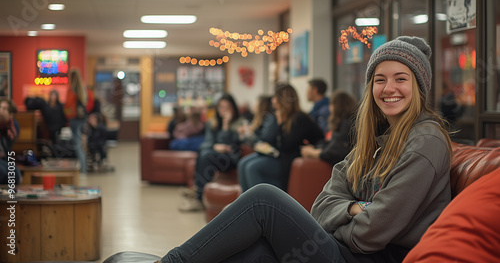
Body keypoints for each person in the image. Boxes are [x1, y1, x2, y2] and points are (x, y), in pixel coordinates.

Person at [148, 36, 453, 262]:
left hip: (369, 258)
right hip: (343, 250)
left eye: (401, 79)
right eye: (380, 79)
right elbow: (321, 206)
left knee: (262, 199)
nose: (388, 89)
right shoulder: (375, 138)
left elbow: (369, 234)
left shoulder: (426, 140)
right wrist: (351, 209)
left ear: (420, 88)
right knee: (258, 252)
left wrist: (342, 222)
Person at [238, 86, 323, 192]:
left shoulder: (299, 118)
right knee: (243, 163)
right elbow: (269, 139)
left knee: (252, 167)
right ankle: (246, 203)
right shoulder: (281, 116)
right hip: (277, 155)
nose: (273, 100)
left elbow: (285, 145)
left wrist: (279, 123)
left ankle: (259, 204)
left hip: (288, 158)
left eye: (276, 97)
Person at [178, 93, 244, 212]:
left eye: (227, 107)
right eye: (221, 107)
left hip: (230, 159)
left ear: (233, 108)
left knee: (206, 154)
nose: (223, 111)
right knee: (204, 152)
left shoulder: (239, 124)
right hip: (215, 155)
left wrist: (226, 125)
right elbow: (207, 143)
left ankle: (198, 194)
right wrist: (215, 146)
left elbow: (230, 146)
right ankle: (198, 193)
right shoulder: (212, 123)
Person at [300, 90, 357, 165]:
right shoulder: (350, 122)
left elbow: (334, 151)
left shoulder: (346, 124)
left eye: (331, 104)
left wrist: (312, 152)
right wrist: (316, 148)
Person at [236, 95, 279, 190]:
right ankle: (246, 199)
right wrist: (246, 135)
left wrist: (249, 135)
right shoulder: (259, 121)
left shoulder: (270, 119)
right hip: (264, 153)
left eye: (256, 103)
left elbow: (264, 141)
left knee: (251, 167)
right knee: (242, 163)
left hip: (273, 155)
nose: (254, 105)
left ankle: (257, 200)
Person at [64, 68, 94, 173]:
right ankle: (84, 167)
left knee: (77, 145)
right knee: (81, 145)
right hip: (82, 120)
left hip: (74, 120)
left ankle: (82, 169)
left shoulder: (72, 90)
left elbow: (67, 105)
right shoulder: (83, 89)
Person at [0, 99, 22, 184]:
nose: (1, 110)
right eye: (0, 107)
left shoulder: (12, 127)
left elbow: (8, 146)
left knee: (15, 173)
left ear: (11, 115)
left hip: (4, 160)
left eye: (4, 109)